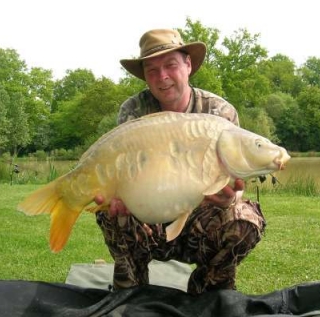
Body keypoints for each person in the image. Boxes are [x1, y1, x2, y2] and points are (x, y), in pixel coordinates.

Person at [95, 28, 266, 295]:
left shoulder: (219, 113)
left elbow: (237, 184)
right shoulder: (134, 111)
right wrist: (117, 196)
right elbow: (123, 174)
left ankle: (210, 288)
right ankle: (131, 288)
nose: (162, 77)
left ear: (188, 65)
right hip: (147, 219)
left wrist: (230, 197)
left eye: (170, 65)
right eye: (152, 70)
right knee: (109, 211)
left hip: (199, 222)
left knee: (243, 218)